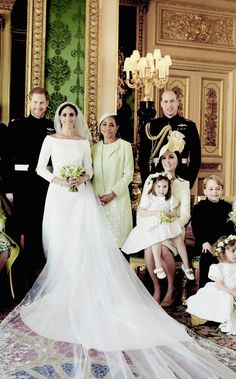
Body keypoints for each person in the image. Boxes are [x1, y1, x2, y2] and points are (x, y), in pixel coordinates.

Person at [0, 102, 235, 379]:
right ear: (58, 116)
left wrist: (82, 178)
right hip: (59, 195)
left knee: (82, 241)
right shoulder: (50, 139)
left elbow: (88, 169)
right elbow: (41, 168)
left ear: (77, 117)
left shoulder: (85, 141)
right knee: (58, 241)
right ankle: (62, 284)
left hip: (82, 197)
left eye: (72, 114)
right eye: (63, 114)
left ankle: (83, 287)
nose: (68, 117)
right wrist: (61, 180)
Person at [7, 87, 55, 289]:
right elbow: (8, 158)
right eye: (35, 102)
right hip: (22, 184)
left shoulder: (53, 127)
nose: (38, 106)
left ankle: (36, 271)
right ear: (29, 102)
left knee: (38, 226)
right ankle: (17, 274)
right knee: (19, 227)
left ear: (47, 103)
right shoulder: (16, 125)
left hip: (44, 184)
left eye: (42, 103)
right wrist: (9, 188)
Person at [143, 131, 192, 306]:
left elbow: (185, 213)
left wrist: (171, 227)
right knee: (149, 249)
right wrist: (153, 224)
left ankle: (171, 288)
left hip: (174, 229)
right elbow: (144, 206)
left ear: (177, 160)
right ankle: (157, 288)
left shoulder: (183, 184)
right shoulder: (152, 179)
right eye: (164, 158)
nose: (167, 161)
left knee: (163, 249)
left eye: (171, 157)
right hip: (154, 225)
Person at [122, 172, 194, 281]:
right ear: (154, 187)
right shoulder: (149, 198)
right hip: (154, 224)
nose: (162, 189)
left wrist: (169, 214)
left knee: (178, 240)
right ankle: (158, 266)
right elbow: (141, 211)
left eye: (165, 187)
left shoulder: (170, 199)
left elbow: (175, 212)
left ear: (168, 187)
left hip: (167, 223)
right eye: (159, 186)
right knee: (155, 239)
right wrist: (156, 213)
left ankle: (186, 265)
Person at [138, 90, 201, 188]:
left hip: (182, 175)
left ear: (177, 102)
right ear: (161, 104)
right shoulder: (152, 126)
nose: (169, 105)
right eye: (166, 102)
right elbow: (143, 157)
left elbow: (196, 158)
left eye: (172, 101)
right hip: (156, 176)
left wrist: (189, 181)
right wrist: (147, 181)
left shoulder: (189, 126)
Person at [91, 112, 134, 248]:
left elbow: (128, 174)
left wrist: (112, 194)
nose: (107, 128)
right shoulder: (94, 149)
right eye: (104, 124)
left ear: (117, 128)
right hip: (98, 199)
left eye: (111, 125)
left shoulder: (125, 146)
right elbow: (90, 174)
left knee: (117, 242)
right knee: (99, 241)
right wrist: (94, 196)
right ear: (100, 127)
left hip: (118, 198)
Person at [186, 235, 236, 335]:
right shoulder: (218, 267)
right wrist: (231, 292)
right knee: (227, 299)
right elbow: (220, 285)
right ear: (223, 252)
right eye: (233, 251)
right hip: (225, 290)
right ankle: (227, 320)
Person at [191, 174, 235, 288]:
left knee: (227, 257)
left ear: (222, 190)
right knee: (208, 256)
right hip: (206, 243)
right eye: (210, 189)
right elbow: (197, 227)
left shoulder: (228, 208)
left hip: (224, 243)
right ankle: (206, 289)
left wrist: (226, 243)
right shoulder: (198, 208)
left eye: (217, 189)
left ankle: (226, 290)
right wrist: (204, 242)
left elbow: (231, 228)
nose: (214, 192)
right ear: (204, 191)